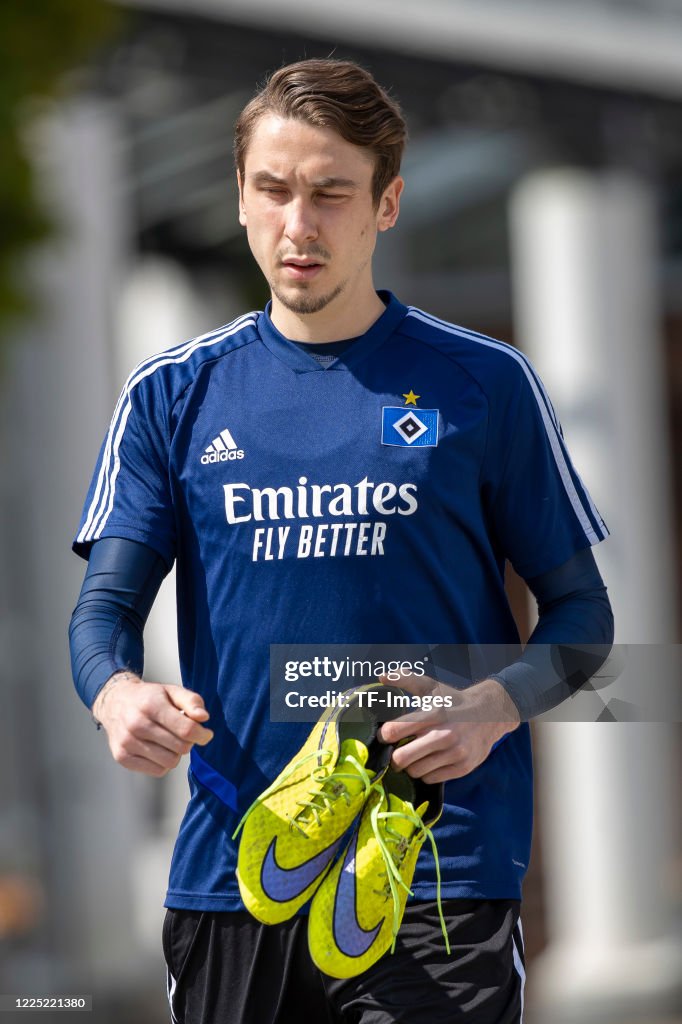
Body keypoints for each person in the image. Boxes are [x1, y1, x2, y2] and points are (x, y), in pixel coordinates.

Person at [69, 58, 613, 1024]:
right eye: (273, 190)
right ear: (239, 198)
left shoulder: (483, 382)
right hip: (240, 870)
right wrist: (116, 693)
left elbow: (582, 619)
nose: (298, 225)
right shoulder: (170, 393)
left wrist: (491, 708)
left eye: (331, 193)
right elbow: (102, 613)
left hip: (437, 871)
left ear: (388, 202)